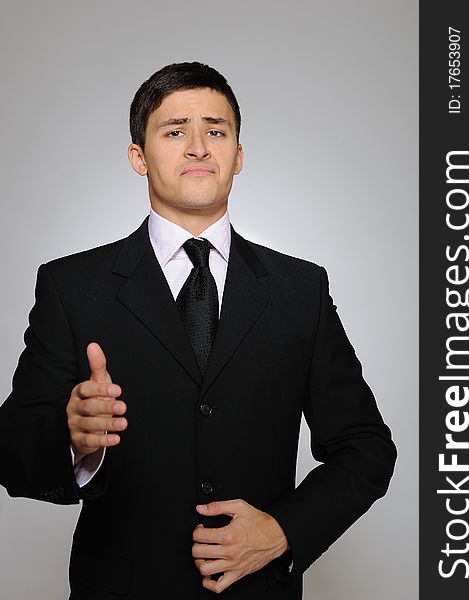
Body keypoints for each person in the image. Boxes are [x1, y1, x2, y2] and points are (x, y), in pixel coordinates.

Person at [0, 62, 397, 600]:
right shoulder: (71, 287)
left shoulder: (299, 289)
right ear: (138, 157)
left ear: (238, 155)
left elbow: (366, 447)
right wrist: (70, 436)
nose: (197, 147)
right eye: (174, 131)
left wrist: (284, 532)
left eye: (215, 131)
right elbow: (12, 455)